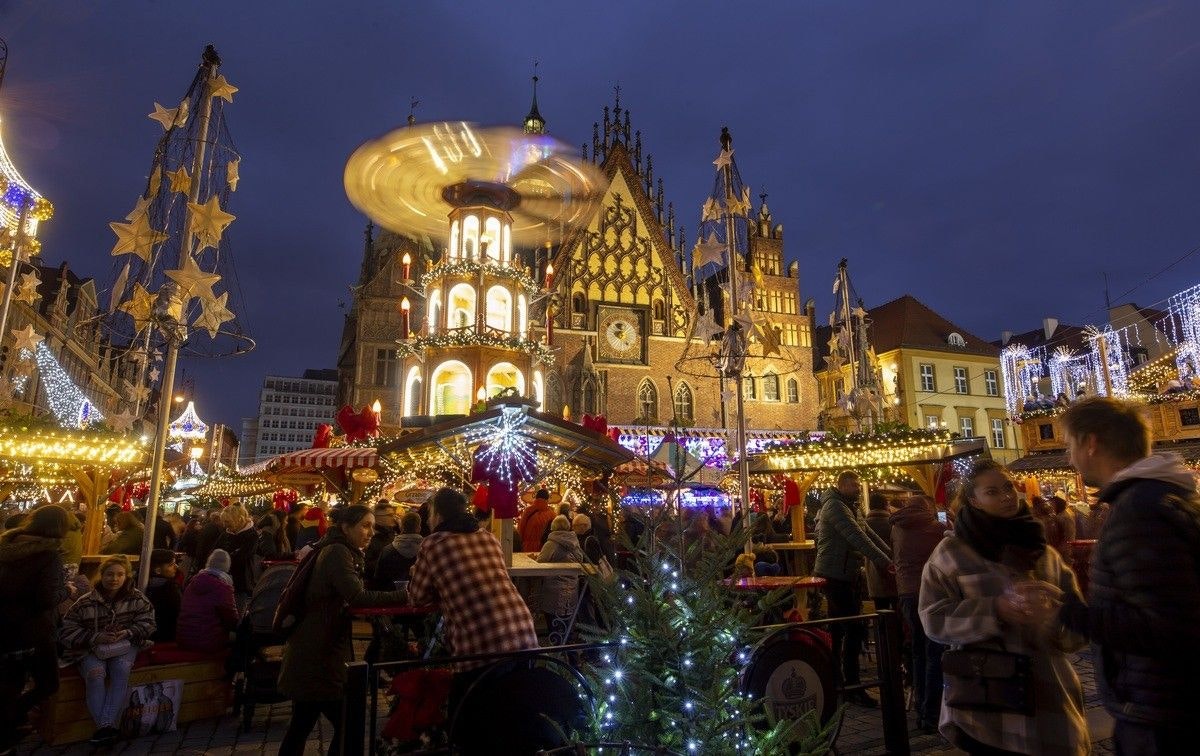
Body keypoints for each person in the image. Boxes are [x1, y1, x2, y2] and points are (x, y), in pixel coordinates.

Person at [1056, 397, 1200, 754]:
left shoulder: (1138, 510)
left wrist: (1066, 611)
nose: (1070, 458)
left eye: (1070, 445)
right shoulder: (1165, 497)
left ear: (1091, 443)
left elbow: (1164, 626)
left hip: (1160, 710)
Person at [920, 460, 1087, 755]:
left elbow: (1080, 623)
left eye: (1008, 487)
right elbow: (933, 618)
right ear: (974, 500)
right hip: (988, 704)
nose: (1007, 496)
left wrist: (1054, 615)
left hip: (1049, 693)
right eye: (992, 492)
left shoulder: (1042, 551)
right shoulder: (952, 554)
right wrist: (994, 610)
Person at [277, 505, 403, 756]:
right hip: (319, 652)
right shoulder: (337, 552)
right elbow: (357, 595)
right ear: (346, 527)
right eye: (365, 526)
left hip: (314, 648)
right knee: (346, 723)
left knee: (304, 722)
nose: (371, 532)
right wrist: (404, 595)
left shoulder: (336, 549)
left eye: (372, 526)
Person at [408, 488, 538, 704]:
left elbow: (417, 597)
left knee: (465, 713)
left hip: (480, 646)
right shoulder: (488, 538)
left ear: (437, 515)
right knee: (515, 709)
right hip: (524, 636)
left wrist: (422, 577)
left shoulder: (433, 544)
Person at [813, 471, 893, 707]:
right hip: (835, 574)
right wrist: (886, 562)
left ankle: (836, 680)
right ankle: (850, 684)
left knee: (840, 629)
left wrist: (890, 555)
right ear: (843, 485)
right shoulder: (835, 507)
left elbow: (868, 533)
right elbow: (856, 536)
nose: (859, 488)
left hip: (845, 573)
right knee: (853, 628)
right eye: (855, 485)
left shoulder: (850, 506)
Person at [60, 554, 156, 747]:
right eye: (110, 574)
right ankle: (107, 727)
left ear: (126, 576)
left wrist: (128, 632)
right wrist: (95, 637)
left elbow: (149, 623)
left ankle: (104, 728)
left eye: (120, 574)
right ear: (102, 575)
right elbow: (66, 631)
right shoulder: (85, 602)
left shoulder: (137, 598)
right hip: (91, 648)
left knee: (121, 670)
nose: (114, 579)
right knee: (96, 675)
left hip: (125, 644)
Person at [0, 505, 69, 753]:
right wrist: (67, 590)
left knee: (10, 685)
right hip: (33, 632)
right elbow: (46, 598)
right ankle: (8, 725)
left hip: (5, 628)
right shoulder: (49, 555)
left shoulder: (6, 547)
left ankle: (9, 729)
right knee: (48, 683)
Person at [888, 495, 946, 734]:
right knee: (934, 651)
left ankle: (921, 708)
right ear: (927, 508)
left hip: (906, 593)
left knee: (918, 651)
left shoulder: (896, 528)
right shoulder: (936, 528)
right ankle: (932, 714)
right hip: (931, 592)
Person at [177, 549, 239, 653]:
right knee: (242, 640)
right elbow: (232, 620)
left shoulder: (192, 583)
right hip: (208, 642)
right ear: (227, 567)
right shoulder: (223, 587)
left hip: (183, 638)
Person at [535, 515, 587, 631]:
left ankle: (556, 640)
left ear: (553, 527)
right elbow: (580, 558)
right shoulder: (575, 542)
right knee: (567, 621)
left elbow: (540, 561)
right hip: (572, 586)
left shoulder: (551, 543)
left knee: (553, 622)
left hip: (554, 588)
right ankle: (566, 638)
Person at [215, 505, 258, 613]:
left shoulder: (251, 535)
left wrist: (225, 557)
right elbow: (215, 552)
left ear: (238, 519)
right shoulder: (225, 534)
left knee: (237, 611)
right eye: (224, 522)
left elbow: (242, 557)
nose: (225, 525)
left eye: (227, 522)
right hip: (222, 578)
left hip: (241, 580)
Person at [374, 510, 423, 590]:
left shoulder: (387, 550)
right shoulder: (426, 551)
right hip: (417, 594)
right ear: (419, 528)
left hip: (390, 594)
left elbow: (378, 580)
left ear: (402, 527)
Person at [864, 493, 897, 611]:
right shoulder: (893, 523)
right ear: (885, 505)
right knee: (896, 608)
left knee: (880, 609)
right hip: (893, 569)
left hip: (873, 571)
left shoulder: (864, 525)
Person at [145, 549, 182, 642]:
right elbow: (178, 611)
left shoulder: (143, 583)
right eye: (171, 565)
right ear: (158, 570)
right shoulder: (170, 588)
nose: (176, 567)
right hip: (166, 636)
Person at [364, 501, 398, 578]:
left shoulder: (390, 533)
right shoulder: (369, 535)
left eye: (393, 515)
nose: (393, 518)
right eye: (390, 515)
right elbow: (365, 564)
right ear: (378, 517)